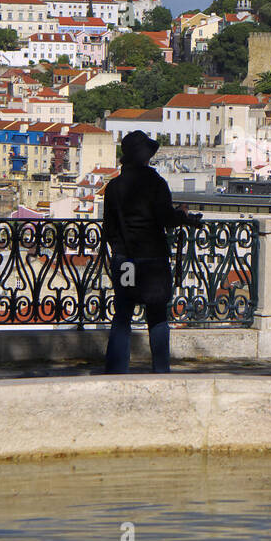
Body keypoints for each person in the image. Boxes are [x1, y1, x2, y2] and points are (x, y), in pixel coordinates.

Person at [101, 130, 203, 374]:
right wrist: (183, 216)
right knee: (157, 316)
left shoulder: (113, 187)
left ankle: (116, 371)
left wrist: (120, 247)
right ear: (146, 156)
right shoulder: (156, 184)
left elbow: (109, 228)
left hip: (126, 259)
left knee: (122, 315)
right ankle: (160, 369)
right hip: (153, 260)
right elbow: (166, 219)